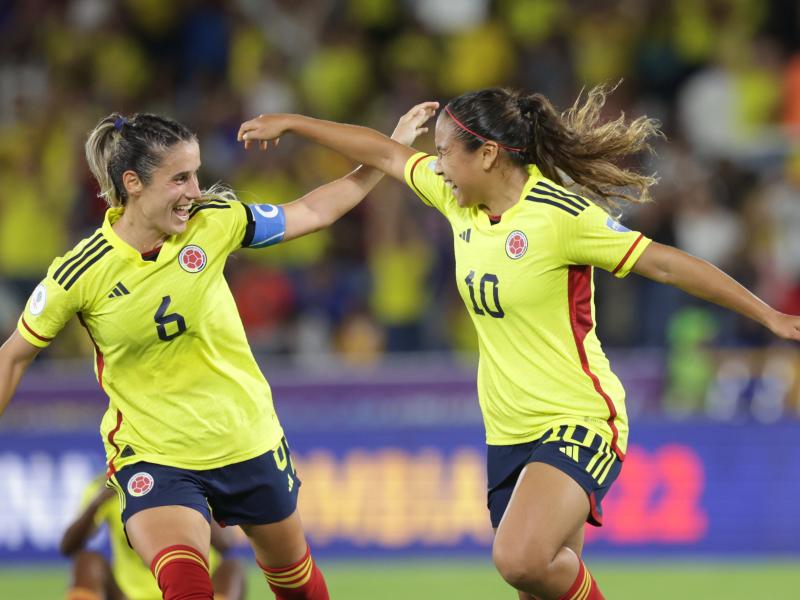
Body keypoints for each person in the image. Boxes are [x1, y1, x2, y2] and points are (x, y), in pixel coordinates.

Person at [236, 85, 800, 600]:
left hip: (578, 415)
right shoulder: (455, 196)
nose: (435, 165)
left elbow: (668, 266)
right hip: (508, 431)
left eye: (444, 152)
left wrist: (769, 316)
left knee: (519, 559)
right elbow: (383, 154)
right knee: (541, 584)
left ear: (486, 154)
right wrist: (293, 121)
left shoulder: (562, 216)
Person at [0, 102, 437, 600]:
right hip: (154, 456)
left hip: (245, 440)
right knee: (188, 587)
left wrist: (388, 152)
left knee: (298, 586)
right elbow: (12, 356)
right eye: (180, 179)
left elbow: (315, 211)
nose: (194, 192)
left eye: (196, 175)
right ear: (133, 183)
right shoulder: (80, 272)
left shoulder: (216, 222)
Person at [61, 474, 245, 600]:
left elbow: (225, 544)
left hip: (191, 592)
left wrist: (189, 492)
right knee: (87, 561)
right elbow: (68, 547)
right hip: (129, 594)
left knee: (232, 568)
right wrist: (96, 504)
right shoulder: (108, 487)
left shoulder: (194, 481)